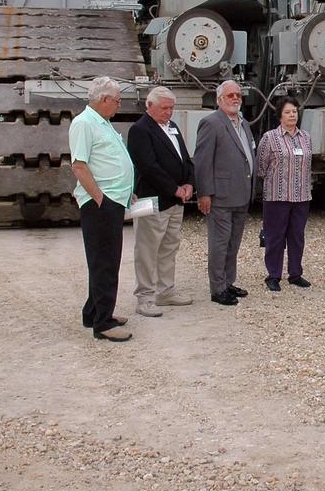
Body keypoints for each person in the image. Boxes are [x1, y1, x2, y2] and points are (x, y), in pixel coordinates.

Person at [69, 76, 136, 342]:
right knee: (105, 263)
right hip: (101, 205)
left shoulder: (102, 123)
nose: (119, 105)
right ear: (104, 99)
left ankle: (93, 311)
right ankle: (103, 323)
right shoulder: (84, 124)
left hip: (113, 200)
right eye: (117, 101)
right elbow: (79, 165)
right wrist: (100, 198)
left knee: (104, 260)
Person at [127, 86, 195, 318]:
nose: (169, 112)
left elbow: (185, 159)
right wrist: (174, 188)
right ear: (150, 106)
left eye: (172, 108)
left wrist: (189, 183)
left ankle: (165, 291)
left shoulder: (173, 127)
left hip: (176, 201)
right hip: (153, 200)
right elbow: (148, 167)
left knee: (169, 247)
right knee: (147, 249)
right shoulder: (140, 130)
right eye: (164, 108)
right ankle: (145, 297)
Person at [195, 80, 255, 306]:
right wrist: (204, 193)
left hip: (241, 194)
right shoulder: (211, 123)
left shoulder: (244, 123)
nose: (235, 98)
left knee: (233, 244)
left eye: (238, 95)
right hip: (220, 195)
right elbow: (202, 161)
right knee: (219, 244)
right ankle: (217, 289)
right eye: (230, 95)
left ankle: (229, 282)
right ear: (219, 99)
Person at [256, 98, 314, 291]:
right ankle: (273, 275)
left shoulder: (305, 137)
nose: (292, 115)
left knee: (297, 236)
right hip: (277, 196)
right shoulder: (270, 137)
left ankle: (295, 274)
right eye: (288, 112)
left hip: (301, 196)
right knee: (275, 237)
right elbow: (261, 167)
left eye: (295, 112)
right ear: (280, 115)